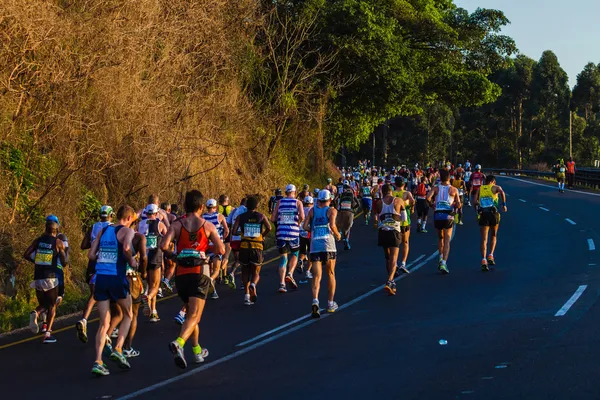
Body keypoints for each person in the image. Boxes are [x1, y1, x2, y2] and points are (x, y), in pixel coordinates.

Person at [161, 190, 225, 369]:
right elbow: (220, 250)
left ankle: (197, 351)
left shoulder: (176, 224)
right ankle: (179, 343)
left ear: (185, 206)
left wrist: (175, 257)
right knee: (195, 316)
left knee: (191, 315)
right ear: (201, 207)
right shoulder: (207, 225)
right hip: (199, 272)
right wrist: (204, 250)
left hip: (181, 274)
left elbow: (163, 246)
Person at [88, 205, 138, 376]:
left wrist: (105, 256)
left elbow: (91, 256)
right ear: (130, 218)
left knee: (104, 323)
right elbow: (126, 249)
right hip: (116, 277)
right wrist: (132, 261)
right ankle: (118, 348)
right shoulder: (127, 231)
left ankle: (98, 361)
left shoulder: (103, 231)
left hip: (100, 277)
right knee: (128, 314)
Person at [23, 215, 67, 343]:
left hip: (38, 278)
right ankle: (48, 334)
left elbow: (26, 254)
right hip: (51, 278)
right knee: (52, 306)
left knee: (43, 304)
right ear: (56, 228)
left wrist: (36, 261)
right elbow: (64, 263)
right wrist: (62, 252)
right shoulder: (58, 243)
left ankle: (36, 313)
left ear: (46, 227)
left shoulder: (38, 240)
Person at [77, 205, 114, 344]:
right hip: (103, 262)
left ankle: (87, 320)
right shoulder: (112, 227)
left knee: (96, 294)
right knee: (99, 295)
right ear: (111, 215)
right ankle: (99, 325)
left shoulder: (93, 227)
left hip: (91, 264)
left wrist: (93, 242)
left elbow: (83, 245)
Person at [303, 190, 341, 318]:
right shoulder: (332, 210)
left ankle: (315, 301)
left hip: (315, 245)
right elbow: (332, 225)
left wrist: (313, 229)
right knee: (330, 273)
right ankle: (330, 303)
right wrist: (338, 234)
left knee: (316, 276)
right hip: (328, 244)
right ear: (330, 199)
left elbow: (304, 226)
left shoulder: (312, 210)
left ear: (318, 199)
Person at [231, 196, 271, 305]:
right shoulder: (261, 216)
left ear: (247, 206)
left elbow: (234, 231)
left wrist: (243, 234)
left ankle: (246, 296)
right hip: (257, 247)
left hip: (244, 246)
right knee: (256, 271)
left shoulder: (240, 217)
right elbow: (269, 228)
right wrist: (261, 235)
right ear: (257, 206)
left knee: (245, 270)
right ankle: (253, 284)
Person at [271, 184, 305, 293]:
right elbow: (303, 217)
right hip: (293, 233)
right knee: (295, 254)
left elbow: (272, 218)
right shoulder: (298, 202)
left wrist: (280, 222)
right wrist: (297, 222)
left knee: (283, 258)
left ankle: (282, 284)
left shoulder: (279, 202)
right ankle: (290, 273)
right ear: (295, 192)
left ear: (285, 193)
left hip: (281, 233)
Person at [427, 169, 461, 274]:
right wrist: (456, 207)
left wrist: (433, 206)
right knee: (447, 239)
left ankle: (440, 257)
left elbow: (428, 198)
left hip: (438, 214)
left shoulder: (436, 188)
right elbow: (459, 204)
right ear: (449, 178)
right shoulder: (454, 190)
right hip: (448, 215)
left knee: (440, 237)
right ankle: (444, 263)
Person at [137, 204, 167, 322]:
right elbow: (168, 233)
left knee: (150, 284)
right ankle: (148, 297)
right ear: (156, 213)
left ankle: (153, 311)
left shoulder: (140, 224)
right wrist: (164, 217)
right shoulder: (159, 224)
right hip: (155, 256)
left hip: (144, 257)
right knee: (156, 284)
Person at [375, 185, 406, 295]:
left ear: (382, 192)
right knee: (394, 258)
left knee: (387, 257)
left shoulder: (378, 203)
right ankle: (389, 281)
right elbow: (404, 218)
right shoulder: (398, 200)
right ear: (391, 192)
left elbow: (377, 218)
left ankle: (391, 282)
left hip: (383, 231)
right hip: (394, 231)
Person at [474, 175, 507, 271]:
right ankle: (491, 255)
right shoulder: (495, 187)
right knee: (493, 235)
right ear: (493, 181)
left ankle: (483, 259)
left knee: (484, 238)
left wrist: (477, 209)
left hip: (484, 214)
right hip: (494, 214)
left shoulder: (480, 189)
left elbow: (474, 201)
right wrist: (504, 204)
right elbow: (502, 192)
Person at [123, 231, 147, 358]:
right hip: (131, 277)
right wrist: (143, 273)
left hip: (115, 276)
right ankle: (127, 347)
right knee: (133, 314)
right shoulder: (138, 237)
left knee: (116, 314)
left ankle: (109, 344)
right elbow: (143, 257)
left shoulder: (112, 232)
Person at [203, 198, 229, 299]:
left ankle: (213, 291)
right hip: (217, 245)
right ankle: (211, 281)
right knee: (216, 269)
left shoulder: (203, 217)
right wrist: (222, 239)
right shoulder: (220, 216)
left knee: (207, 267)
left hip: (206, 245)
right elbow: (226, 230)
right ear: (216, 207)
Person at [393, 178, 414, 274]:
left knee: (395, 244)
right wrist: (411, 207)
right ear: (404, 184)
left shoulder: (392, 193)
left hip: (394, 221)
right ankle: (403, 263)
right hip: (405, 221)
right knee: (405, 242)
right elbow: (413, 201)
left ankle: (395, 264)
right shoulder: (407, 193)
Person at [336, 181, 359, 250]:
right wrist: (354, 208)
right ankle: (346, 240)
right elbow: (358, 203)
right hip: (349, 211)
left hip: (341, 210)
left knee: (340, 224)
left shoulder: (341, 193)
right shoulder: (352, 193)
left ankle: (339, 231)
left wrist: (337, 208)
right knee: (348, 227)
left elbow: (336, 200)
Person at [218, 194, 234, 285]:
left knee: (219, 255)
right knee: (226, 256)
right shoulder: (232, 209)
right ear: (228, 201)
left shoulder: (216, 210)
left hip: (218, 235)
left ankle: (222, 275)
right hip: (228, 234)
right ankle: (223, 273)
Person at [298, 196, 314, 283]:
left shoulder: (300, 208)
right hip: (309, 233)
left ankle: (300, 260)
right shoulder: (312, 210)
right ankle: (308, 271)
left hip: (300, 233)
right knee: (311, 252)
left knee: (303, 252)